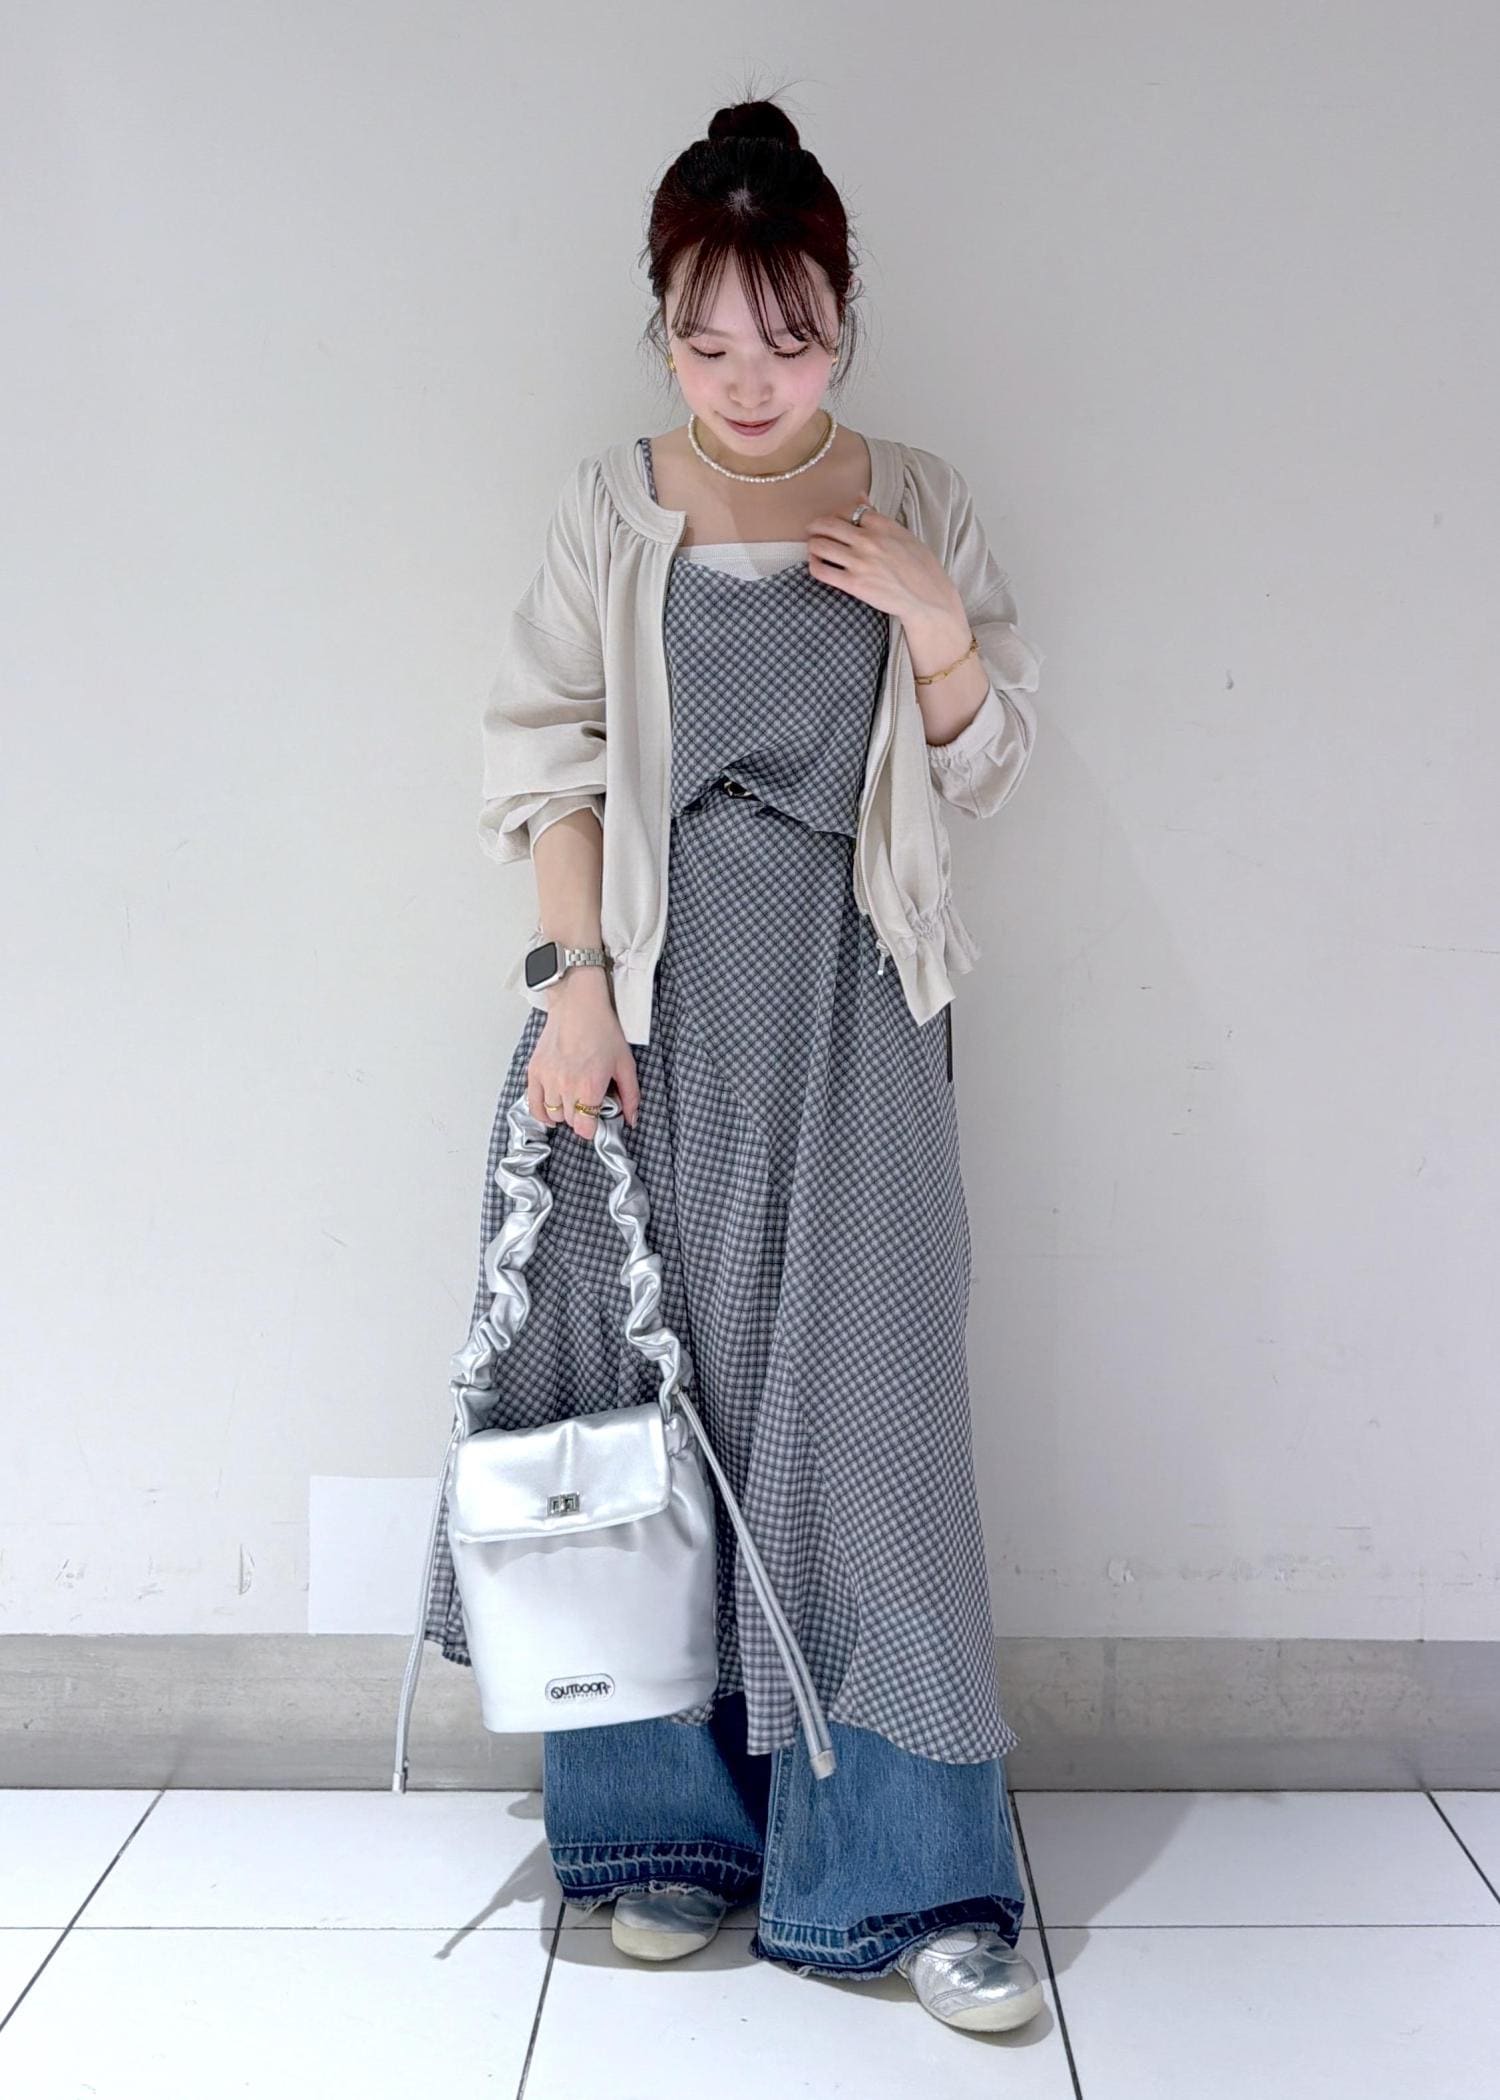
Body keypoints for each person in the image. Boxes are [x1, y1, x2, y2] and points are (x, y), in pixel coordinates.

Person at [421, 91, 1046, 2035]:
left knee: (875, 1436)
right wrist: (575, 982)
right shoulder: (611, 508)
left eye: (788, 337)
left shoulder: (916, 498)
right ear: (665, 332)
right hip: (650, 1004)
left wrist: (935, 626)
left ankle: (912, 1875)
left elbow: (983, 763)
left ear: (843, 320)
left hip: (859, 1004)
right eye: (706, 343)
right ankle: (655, 1843)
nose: (749, 380)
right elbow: (547, 753)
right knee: (640, 1403)